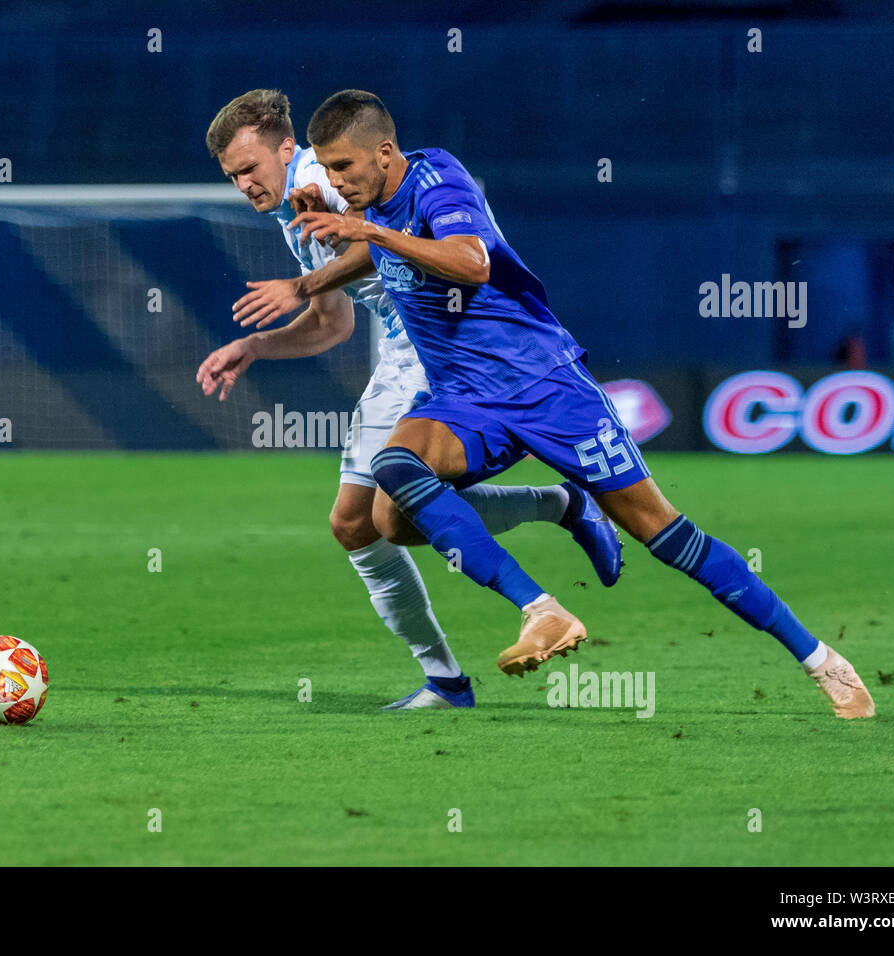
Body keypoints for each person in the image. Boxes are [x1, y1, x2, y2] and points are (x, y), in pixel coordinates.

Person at [286, 89, 873, 718]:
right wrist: (307, 279)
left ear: (384, 151)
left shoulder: (439, 181)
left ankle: (823, 662)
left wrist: (367, 229)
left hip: (546, 387)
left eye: (344, 167)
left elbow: (472, 262)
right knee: (394, 498)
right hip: (462, 397)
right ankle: (543, 608)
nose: (336, 181)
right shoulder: (369, 206)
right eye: (326, 168)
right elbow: (374, 250)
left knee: (664, 534)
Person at [197, 89, 623, 710]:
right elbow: (331, 324)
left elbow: (391, 232)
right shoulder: (298, 212)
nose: (242, 185)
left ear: (287, 148)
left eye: (248, 168)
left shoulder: (324, 175)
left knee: (375, 516)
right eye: (232, 176)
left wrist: (312, 271)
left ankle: (488, 643)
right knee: (361, 522)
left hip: (438, 344)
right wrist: (256, 348)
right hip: (400, 354)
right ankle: (557, 513)